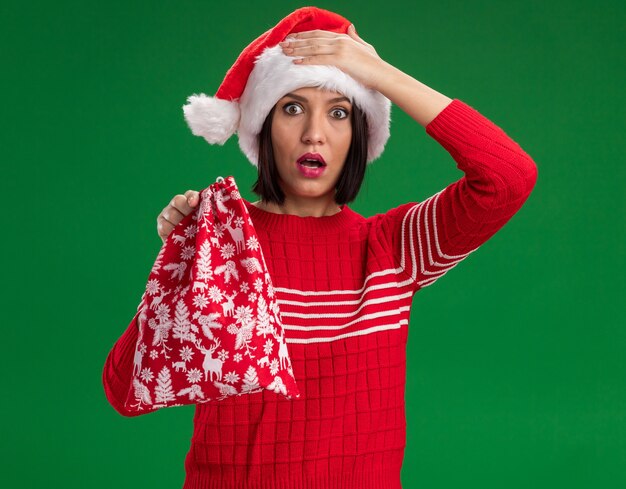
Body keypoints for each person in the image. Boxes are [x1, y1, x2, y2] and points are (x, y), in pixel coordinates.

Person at [103, 6, 538, 489]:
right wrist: (179, 273)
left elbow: (508, 177)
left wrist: (379, 74)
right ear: (262, 126)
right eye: (292, 108)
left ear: (360, 134)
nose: (315, 132)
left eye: (339, 112)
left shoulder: (392, 250)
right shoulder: (224, 248)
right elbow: (124, 391)